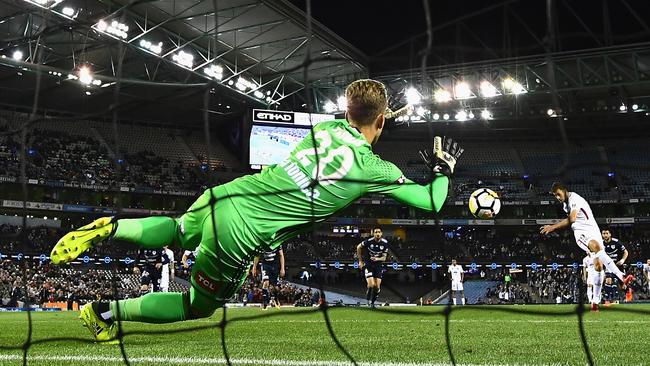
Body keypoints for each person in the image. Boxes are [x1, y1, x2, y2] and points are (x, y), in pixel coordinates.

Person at [49, 79, 462, 343]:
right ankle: (103, 311)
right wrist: (442, 170)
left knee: (176, 231)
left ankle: (113, 227)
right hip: (241, 234)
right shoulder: (375, 168)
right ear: (383, 122)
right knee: (196, 305)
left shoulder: (325, 128)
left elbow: (353, 122)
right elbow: (431, 201)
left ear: (347, 111)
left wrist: (378, 117)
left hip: (228, 194)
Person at [540, 183, 633, 289]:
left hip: (593, 229)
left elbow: (572, 218)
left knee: (598, 265)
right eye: (555, 195)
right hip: (581, 233)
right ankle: (622, 276)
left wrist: (553, 227)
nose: (557, 197)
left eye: (558, 194)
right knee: (595, 247)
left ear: (564, 190)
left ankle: (595, 301)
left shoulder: (574, 199)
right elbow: (574, 220)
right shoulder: (566, 204)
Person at [356, 227, 389, 307]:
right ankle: (367, 301)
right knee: (371, 285)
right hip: (368, 264)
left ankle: (372, 303)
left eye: (379, 232)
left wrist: (377, 258)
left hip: (378, 265)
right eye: (375, 232)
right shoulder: (368, 241)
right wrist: (360, 261)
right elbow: (358, 247)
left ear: (381, 233)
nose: (377, 233)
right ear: (373, 234)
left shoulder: (385, 243)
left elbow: (384, 258)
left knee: (377, 287)